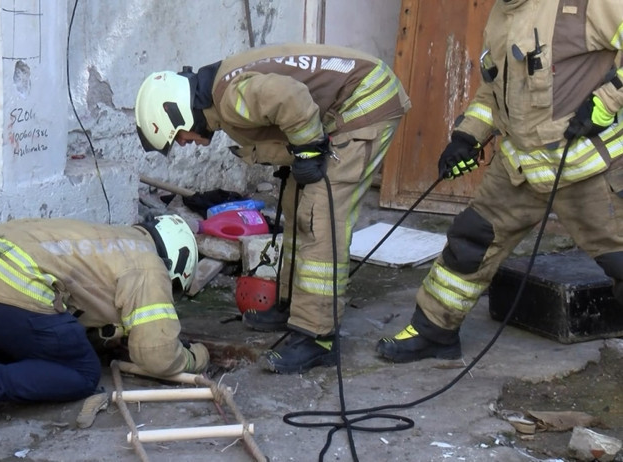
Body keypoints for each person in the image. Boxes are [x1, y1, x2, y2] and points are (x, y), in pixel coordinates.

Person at [134, 43, 411, 374]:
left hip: (365, 101)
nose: (183, 143)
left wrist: (307, 148)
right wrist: (294, 150)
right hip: (345, 102)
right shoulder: (221, 88)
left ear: (178, 112)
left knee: (321, 217)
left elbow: (289, 96)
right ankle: (293, 305)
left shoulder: (230, 98)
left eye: (177, 136)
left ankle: (317, 336)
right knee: (296, 204)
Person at [377, 0, 623, 363]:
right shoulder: (501, 14)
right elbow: (495, 90)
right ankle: (433, 331)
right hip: (518, 168)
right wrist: (467, 137)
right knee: (471, 241)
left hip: (586, 170)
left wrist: (606, 101)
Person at [0, 214, 209, 449]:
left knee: (19, 352)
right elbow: (157, 354)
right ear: (176, 267)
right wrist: (194, 358)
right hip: (8, 288)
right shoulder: (148, 265)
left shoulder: (109, 238)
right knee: (82, 372)